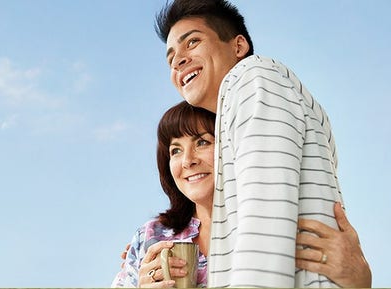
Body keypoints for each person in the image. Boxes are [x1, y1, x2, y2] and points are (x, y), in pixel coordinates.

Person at [155, 0, 369, 287]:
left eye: (192, 42)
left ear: (238, 46)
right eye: (171, 58)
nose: (178, 60)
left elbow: (264, 232)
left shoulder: (251, 79)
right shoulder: (251, 99)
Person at [111, 102, 370, 288]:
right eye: (176, 150)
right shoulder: (151, 237)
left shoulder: (276, 227)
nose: (187, 161)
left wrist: (358, 281)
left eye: (202, 142)